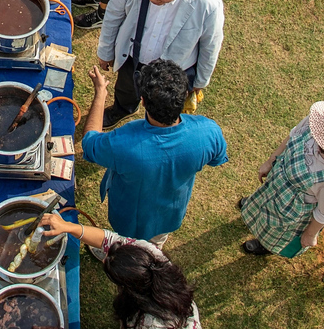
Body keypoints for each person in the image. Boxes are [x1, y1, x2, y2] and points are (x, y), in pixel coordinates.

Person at [81, 60, 228, 249]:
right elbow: (217, 157)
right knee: (155, 243)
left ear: (142, 100)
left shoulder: (123, 142)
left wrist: (101, 94)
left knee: (124, 245)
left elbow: (90, 142)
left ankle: (119, 252)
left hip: (127, 219)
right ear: (184, 95)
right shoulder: (208, 132)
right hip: (170, 216)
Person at [97, 0, 224, 129]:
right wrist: (106, 50)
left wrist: (200, 82)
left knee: (164, 107)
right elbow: (114, 14)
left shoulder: (208, 3)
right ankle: (123, 109)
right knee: (126, 89)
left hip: (174, 70)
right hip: (134, 58)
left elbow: (210, 45)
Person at [240, 101, 324, 257]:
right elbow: (293, 136)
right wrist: (271, 161)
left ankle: (265, 244)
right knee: (262, 200)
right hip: (277, 180)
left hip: (290, 207)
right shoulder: (317, 122)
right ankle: (255, 210)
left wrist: (310, 234)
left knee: (274, 228)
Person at [41, 213, 201, 329]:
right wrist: (68, 227)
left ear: (131, 290)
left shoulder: (149, 324)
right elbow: (107, 240)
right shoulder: (150, 252)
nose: (104, 258)